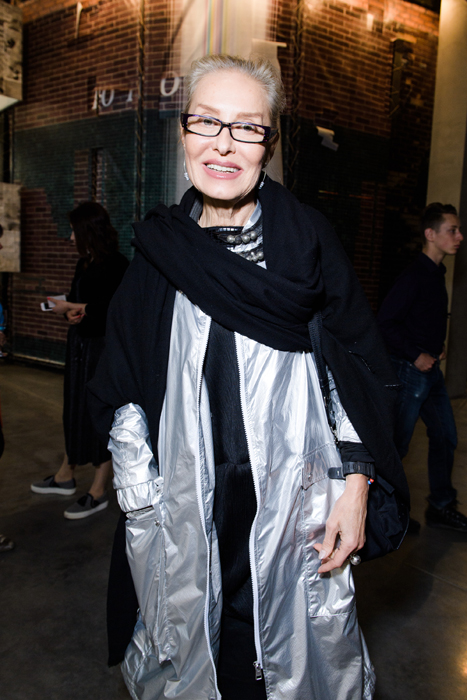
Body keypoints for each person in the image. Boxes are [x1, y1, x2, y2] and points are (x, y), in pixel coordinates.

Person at [87, 55, 409, 700]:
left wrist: (356, 487)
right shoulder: (159, 250)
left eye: (247, 127)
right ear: (184, 134)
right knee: (207, 665)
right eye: (207, 121)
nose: (224, 144)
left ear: (269, 144)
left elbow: (355, 374)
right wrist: (143, 500)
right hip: (187, 517)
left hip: (297, 515)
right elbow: (121, 388)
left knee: (291, 666)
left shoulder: (307, 242)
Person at [31, 202, 128, 519]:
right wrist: (68, 310)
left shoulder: (117, 264)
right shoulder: (84, 263)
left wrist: (79, 308)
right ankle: (65, 474)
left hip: (102, 351)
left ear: (88, 231)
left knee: (99, 414)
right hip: (79, 347)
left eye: (74, 231)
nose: (71, 237)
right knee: (74, 409)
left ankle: (99, 490)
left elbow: (115, 309)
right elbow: (80, 302)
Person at [378, 203, 466, 532]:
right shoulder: (414, 276)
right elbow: (385, 323)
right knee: (397, 446)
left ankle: (440, 506)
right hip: (409, 371)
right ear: (430, 234)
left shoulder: (437, 274)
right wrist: (416, 354)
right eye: (452, 230)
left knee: (445, 436)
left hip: (431, 374)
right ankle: (380, 517)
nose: (459, 236)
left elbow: (422, 319)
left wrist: (434, 346)